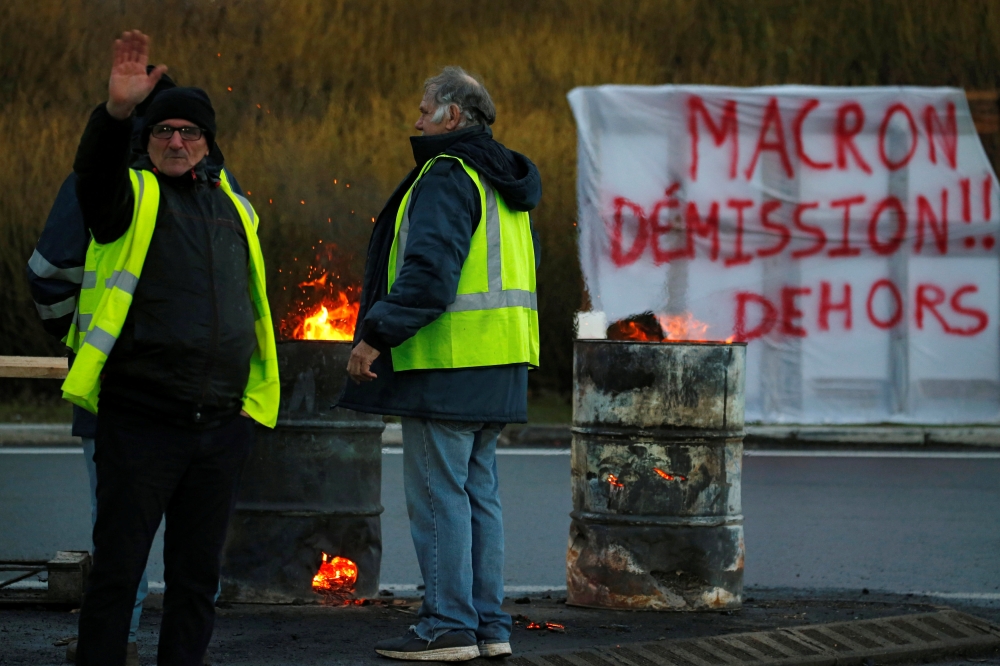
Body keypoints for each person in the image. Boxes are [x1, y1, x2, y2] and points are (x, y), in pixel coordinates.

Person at [62, 30, 278, 666]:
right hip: (141, 423)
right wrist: (116, 113)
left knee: (195, 585)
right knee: (117, 577)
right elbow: (92, 176)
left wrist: (243, 412)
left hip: (220, 429)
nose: (176, 142)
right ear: (147, 141)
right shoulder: (130, 197)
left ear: (209, 142)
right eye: (163, 132)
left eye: (189, 132)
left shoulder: (239, 210)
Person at [339, 66, 541, 661]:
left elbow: (429, 273)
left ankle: (448, 627)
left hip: (446, 366)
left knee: (439, 497)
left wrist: (377, 334)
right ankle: (488, 627)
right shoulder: (502, 179)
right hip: (499, 363)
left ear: (453, 116)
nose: (416, 120)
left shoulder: (447, 175)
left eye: (425, 110)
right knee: (479, 498)